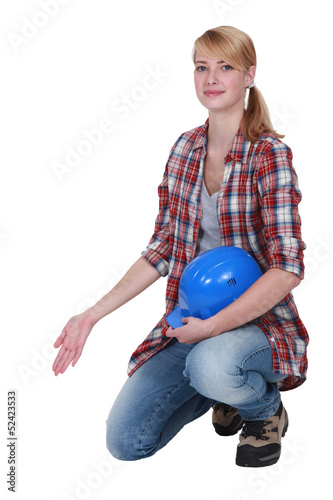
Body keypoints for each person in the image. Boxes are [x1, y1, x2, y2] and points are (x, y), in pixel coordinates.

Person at [52, 26, 309, 468]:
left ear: (249, 75)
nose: (211, 77)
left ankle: (262, 410)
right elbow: (163, 248)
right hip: (193, 322)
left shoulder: (269, 155)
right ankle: (222, 386)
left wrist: (212, 331)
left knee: (212, 363)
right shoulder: (185, 149)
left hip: (259, 328)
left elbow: (287, 268)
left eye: (225, 66)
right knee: (126, 442)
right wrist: (90, 315)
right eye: (202, 67)